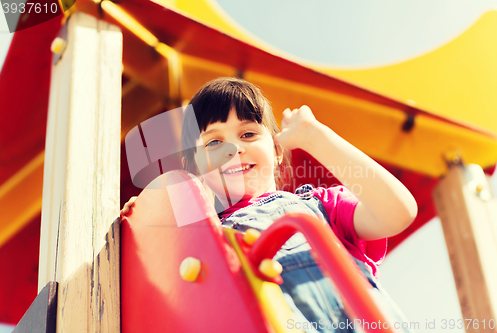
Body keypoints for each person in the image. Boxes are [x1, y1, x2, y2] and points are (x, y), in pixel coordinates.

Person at [121, 77, 418, 332]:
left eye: (248, 134)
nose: (234, 148)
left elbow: (397, 211)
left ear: (276, 150)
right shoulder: (208, 237)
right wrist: (156, 215)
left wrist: (315, 138)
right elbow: (173, 279)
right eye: (213, 143)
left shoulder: (321, 206)